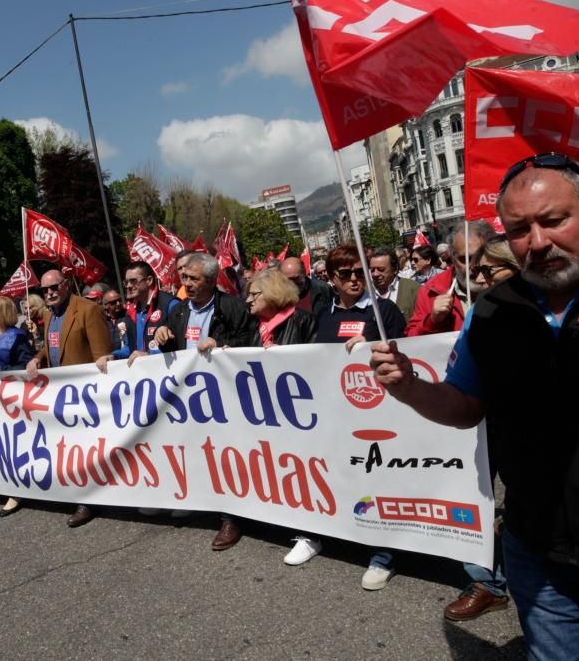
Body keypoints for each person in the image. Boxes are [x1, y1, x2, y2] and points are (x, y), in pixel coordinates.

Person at [370, 152, 579, 658]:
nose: (537, 242)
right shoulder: (492, 311)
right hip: (543, 562)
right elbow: (463, 405)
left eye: (553, 220)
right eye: (519, 229)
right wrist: (410, 387)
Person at [314, 244, 404, 590]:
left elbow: (408, 356)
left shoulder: (384, 311)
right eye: (345, 274)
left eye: (360, 273)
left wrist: (372, 346)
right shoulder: (325, 314)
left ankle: (384, 555)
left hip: (379, 413)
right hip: (338, 414)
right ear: (331, 279)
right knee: (346, 478)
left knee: (378, 481)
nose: (354, 280)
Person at [441, 235, 518, 622]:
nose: (476, 274)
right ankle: (487, 581)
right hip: (476, 412)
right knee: (472, 494)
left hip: (534, 429)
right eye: (466, 261)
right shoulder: (450, 300)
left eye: (485, 266)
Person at [154, 252, 254, 550]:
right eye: (184, 278)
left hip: (227, 398)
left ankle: (230, 518)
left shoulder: (233, 307)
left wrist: (223, 346)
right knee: (199, 452)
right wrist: (162, 335)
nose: (186, 283)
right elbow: (172, 347)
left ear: (211, 280)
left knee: (226, 456)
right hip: (191, 399)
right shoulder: (180, 310)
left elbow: (250, 342)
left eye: (193, 279)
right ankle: (202, 501)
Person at [25, 268, 113, 527]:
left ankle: (89, 500)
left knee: (89, 448)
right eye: (44, 290)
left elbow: (102, 355)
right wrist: (38, 357)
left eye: (53, 287)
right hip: (61, 395)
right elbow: (53, 346)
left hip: (87, 394)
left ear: (66, 285)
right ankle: (81, 494)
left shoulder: (87, 310)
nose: (49, 293)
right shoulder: (51, 317)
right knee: (71, 448)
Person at [244, 268, 320, 564]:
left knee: (303, 469)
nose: (247, 300)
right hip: (266, 413)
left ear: (273, 293)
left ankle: (310, 535)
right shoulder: (252, 326)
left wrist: (284, 358)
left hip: (299, 414)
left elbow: (316, 362)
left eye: (254, 294)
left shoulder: (303, 321)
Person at [0, 295, 36, 517]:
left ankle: (18, 491)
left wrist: (2, 369)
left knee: (16, 443)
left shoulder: (16, 337)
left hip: (14, 399)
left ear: (0, 313)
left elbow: (25, 366)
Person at [405, 221, 495, 337]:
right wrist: (433, 320)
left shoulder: (506, 283)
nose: (473, 267)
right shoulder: (430, 291)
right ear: (452, 257)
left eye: (481, 257)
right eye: (465, 259)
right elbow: (412, 339)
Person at [118, 261, 179, 363]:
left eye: (133, 281)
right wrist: (112, 356)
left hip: (170, 372)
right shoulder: (130, 311)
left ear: (149, 280)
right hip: (144, 375)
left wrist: (149, 356)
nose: (128, 286)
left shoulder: (170, 304)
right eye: (126, 282)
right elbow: (129, 347)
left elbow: (181, 344)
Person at [368, 248, 421, 323]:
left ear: (395, 269)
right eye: (372, 270)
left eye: (381, 269)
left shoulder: (414, 289)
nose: (375, 274)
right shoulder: (365, 291)